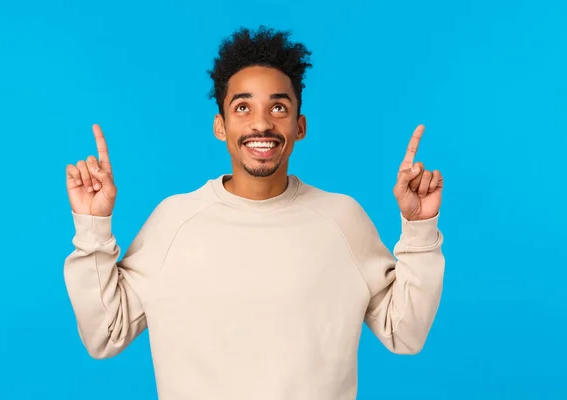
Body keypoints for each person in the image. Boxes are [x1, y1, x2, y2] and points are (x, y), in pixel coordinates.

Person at [63, 26, 445, 400]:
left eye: (278, 107)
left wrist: (420, 228)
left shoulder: (342, 220)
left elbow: (405, 334)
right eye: (242, 107)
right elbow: (105, 335)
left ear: (300, 127)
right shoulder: (173, 222)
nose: (261, 123)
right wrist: (93, 226)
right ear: (220, 126)